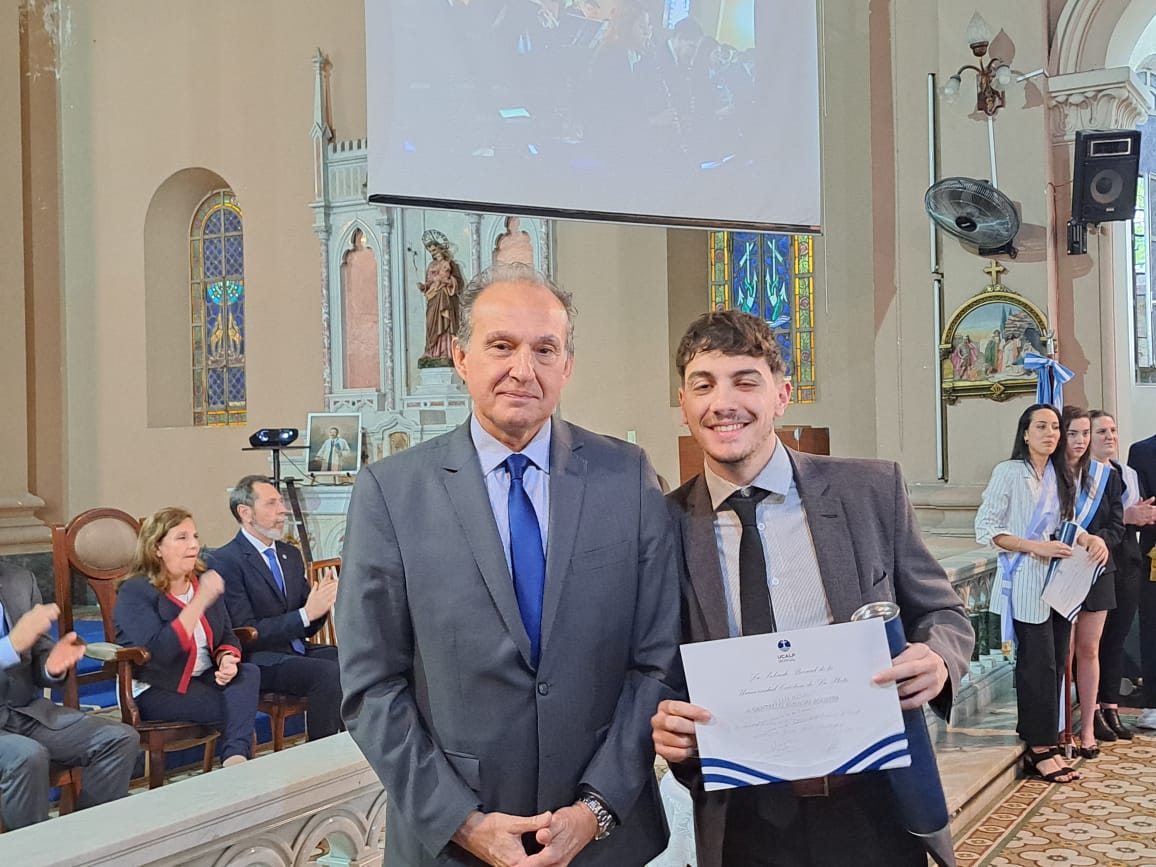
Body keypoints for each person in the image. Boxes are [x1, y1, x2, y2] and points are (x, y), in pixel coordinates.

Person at [339, 263, 681, 866]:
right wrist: (462, 822)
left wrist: (595, 809)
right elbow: (372, 686)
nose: (524, 368)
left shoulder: (625, 476)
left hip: (602, 841)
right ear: (460, 356)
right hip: (453, 842)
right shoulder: (392, 491)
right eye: (502, 345)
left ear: (567, 366)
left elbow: (656, 658)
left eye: (544, 349)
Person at [650, 310, 973, 867]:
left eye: (745, 381)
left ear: (782, 394)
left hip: (870, 802)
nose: (723, 402)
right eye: (703, 385)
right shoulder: (661, 525)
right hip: (744, 818)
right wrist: (665, 719)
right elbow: (653, 663)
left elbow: (942, 611)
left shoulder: (868, 491)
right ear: (684, 403)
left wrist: (939, 660)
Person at [975, 404, 1097, 784]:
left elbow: (1067, 522)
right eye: (1041, 426)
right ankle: (1038, 747)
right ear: (1025, 433)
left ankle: (1047, 741)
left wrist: (1087, 537)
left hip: (1059, 582)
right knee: (1036, 666)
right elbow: (986, 528)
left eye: (1056, 427)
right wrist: (1034, 547)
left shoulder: (1062, 474)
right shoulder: (1009, 472)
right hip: (1025, 579)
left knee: (1058, 662)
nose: (1051, 433)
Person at [114, 507, 260, 768]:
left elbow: (226, 632)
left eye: (195, 537)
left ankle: (234, 760)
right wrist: (200, 601)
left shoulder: (201, 580)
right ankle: (236, 762)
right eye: (182, 538)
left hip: (203, 678)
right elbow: (159, 650)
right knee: (238, 711)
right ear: (156, 547)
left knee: (248, 673)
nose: (193, 545)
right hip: (158, 687)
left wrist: (227, 658)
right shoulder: (135, 591)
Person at [0, 563, 137, 830]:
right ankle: (35, 856)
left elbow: (40, 654)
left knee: (119, 739)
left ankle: (89, 841)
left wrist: (51, 666)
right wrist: (12, 645)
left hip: (25, 711)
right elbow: (17, 644)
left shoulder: (20, 579)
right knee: (27, 756)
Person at [206, 475, 342, 742]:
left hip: (296, 649)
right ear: (245, 512)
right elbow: (244, 630)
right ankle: (321, 755)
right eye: (271, 504)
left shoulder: (289, 554)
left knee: (356, 660)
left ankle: (353, 747)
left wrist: (322, 605)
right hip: (258, 657)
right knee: (328, 673)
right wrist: (307, 614)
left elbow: (307, 615)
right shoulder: (225, 561)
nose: (282, 510)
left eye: (281, 502)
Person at [1057, 406, 1120, 757]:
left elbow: (1116, 524)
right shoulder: (1051, 475)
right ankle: (1063, 727)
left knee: (1089, 649)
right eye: (1074, 434)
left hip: (1096, 569)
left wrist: (1101, 543)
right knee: (1064, 654)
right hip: (1063, 568)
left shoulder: (1103, 476)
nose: (1080, 441)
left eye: (1085, 434)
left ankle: (1087, 730)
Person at [1089, 410, 1156, 739]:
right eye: (1101, 431)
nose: (1109, 436)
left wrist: (1138, 515)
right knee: (1094, 642)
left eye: (1113, 430)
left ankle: (1111, 706)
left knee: (1116, 638)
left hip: (1127, 559)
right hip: (1097, 562)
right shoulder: (1080, 474)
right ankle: (1094, 709)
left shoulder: (1126, 472)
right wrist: (1130, 516)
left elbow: (1140, 511)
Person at [1129, 429, 1156, 730]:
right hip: (1154, 555)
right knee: (1153, 629)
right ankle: (1153, 702)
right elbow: (1143, 508)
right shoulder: (1143, 451)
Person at [418, 229, 465, 362]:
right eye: (430, 251)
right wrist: (424, 286)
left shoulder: (450, 264)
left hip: (445, 297)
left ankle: (448, 351)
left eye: (434, 250)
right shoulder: (431, 265)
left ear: (440, 249)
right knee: (431, 323)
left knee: (446, 322)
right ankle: (432, 351)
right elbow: (429, 282)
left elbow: (459, 283)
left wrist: (447, 281)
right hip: (433, 297)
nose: (432, 253)